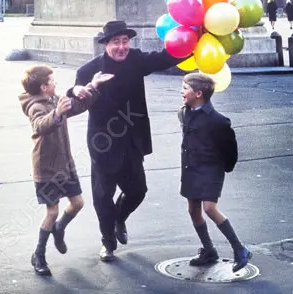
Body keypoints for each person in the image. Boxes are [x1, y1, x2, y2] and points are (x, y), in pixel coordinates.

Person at [68, 19, 181, 261]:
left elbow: (164, 58)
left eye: (125, 42)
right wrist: (75, 90)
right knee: (102, 196)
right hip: (103, 143)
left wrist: (191, 44)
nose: (122, 47)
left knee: (138, 190)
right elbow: (75, 92)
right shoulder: (89, 70)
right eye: (116, 42)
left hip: (132, 140)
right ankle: (107, 241)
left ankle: (120, 218)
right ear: (106, 44)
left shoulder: (136, 60)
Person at [20, 64, 113, 276]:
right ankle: (39, 255)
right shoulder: (36, 106)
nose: (56, 83)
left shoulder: (54, 99)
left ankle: (59, 228)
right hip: (46, 167)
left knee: (78, 203)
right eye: (52, 81)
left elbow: (78, 106)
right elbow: (40, 126)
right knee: (51, 211)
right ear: (44, 87)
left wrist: (93, 86)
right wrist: (56, 114)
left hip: (65, 163)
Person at [179, 71, 251, 272]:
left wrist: (224, 167)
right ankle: (209, 250)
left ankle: (240, 249)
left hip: (211, 170)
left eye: (185, 88)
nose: (182, 92)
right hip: (191, 168)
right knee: (193, 209)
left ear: (198, 93)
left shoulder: (218, 121)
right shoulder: (184, 112)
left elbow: (230, 150)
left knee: (209, 208)